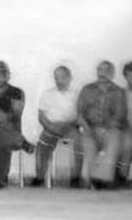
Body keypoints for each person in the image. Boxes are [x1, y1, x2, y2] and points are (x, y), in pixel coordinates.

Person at [0, 61, 34, 189]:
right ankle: (21, 141)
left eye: (2, 74)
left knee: (4, 142)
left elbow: (16, 114)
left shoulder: (16, 92)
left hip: (10, 128)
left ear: (8, 75)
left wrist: (1, 117)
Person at [77, 61, 127, 189]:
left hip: (111, 129)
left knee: (114, 139)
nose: (102, 73)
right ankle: (96, 179)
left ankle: (102, 179)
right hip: (89, 128)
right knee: (87, 141)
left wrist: (107, 129)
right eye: (99, 70)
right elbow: (80, 113)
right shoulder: (87, 89)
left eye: (105, 70)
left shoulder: (118, 91)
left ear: (112, 73)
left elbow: (120, 115)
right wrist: (87, 127)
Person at [31, 66, 83, 188]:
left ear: (69, 78)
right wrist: (50, 126)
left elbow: (81, 116)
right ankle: (39, 177)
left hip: (70, 127)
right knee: (42, 144)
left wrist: (68, 124)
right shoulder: (47, 94)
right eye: (56, 78)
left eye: (62, 77)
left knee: (79, 143)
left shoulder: (76, 95)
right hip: (50, 126)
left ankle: (75, 177)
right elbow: (41, 116)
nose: (59, 81)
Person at [116, 62, 132, 187]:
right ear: (125, 77)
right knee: (127, 143)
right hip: (126, 127)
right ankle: (122, 176)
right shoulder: (121, 93)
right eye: (129, 75)